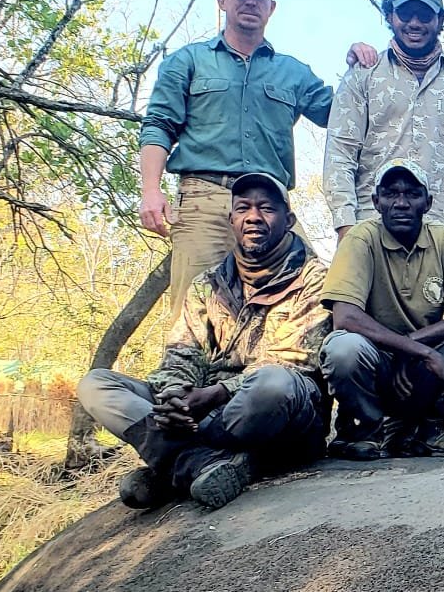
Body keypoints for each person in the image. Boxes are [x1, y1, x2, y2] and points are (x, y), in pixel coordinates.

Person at [77, 172, 331, 510]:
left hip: (269, 409)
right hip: (203, 410)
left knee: (272, 383)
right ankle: (197, 463)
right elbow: (181, 354)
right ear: (231, 220)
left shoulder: (315, 278)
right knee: (96, 385)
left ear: (289, 220)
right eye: (243, 208)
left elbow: (293, 360)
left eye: (266, 208)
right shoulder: (207, 283)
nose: (253, 216)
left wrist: (217, 394)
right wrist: (174, 398)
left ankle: (171, 462)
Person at [139, 0, 331, 321]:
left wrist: (365, 65)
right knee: (194, 314)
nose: (250, 1)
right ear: (222, 1)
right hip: (203, 201)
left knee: (314, 292)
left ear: (271, 7)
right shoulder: (188, 61)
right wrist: (151, 190)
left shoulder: (293, 72)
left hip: (271, 203)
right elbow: (158, 125)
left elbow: (343, 115)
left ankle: (286, 376)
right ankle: (186, 377)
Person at [319, 159, 444, 460]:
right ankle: (368, 429)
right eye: (391, 194)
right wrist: (421, 351)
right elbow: (345, 316)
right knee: (344, 347)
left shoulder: (443, 238)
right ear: (376, 201)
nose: (402, 203)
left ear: (428, 203)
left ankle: (434, 426)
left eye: (412, 194)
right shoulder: (359, 238)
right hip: (376, 359)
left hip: (423, 365)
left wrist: (415, 347)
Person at [324, 0, 444, 245]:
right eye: (406, 14)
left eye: (424, 15)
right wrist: (346, 227)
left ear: (440, 20)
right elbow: (340, 154)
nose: (415, 23)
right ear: (390, 16)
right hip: (371, 231)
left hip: (443, 235)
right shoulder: (362, 76)